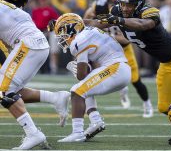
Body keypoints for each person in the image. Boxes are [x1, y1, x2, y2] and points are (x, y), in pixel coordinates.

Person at [0, 0, 70, 150]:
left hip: (29, 44)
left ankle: (33, 134)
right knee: (10, 89)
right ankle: (55, 98)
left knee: (4, 89)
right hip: (31, 44)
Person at [50, 13, 131, 142]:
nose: (62, 38)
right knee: (84, 87)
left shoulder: (79, 41)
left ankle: (77, 132)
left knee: (77, 91)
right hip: (119, 67)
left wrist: (75, 69)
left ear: (72, 29)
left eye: (63, 33)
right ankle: (96, 120)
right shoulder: (88, 31)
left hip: (116, 68)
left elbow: (81, 75)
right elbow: (85, 76)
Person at [84, 0, 153, 117]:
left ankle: (147, 104)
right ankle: (121, 89)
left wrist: (111, 35)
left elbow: (127, 40)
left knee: (135, 79)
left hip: (124, 47)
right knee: (98, 72)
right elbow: (88, 19)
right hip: (107, 48)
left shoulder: (127, 11)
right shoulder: (99, 5)